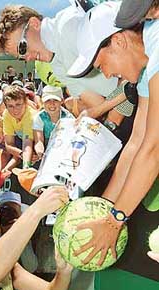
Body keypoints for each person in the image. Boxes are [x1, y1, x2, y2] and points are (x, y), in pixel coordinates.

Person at [66, 1, 159, 266]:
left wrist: (114, 220)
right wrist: (101, 210)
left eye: (101, 63)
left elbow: (153, 149)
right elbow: (136, 143)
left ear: (118, 41)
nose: (106, 74)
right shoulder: (145, 68)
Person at [0, 4, 117, 97]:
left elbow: (130, 72)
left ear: (34, 23)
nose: (27, 58)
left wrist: (113, 118)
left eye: (22, 48)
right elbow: (94, 101)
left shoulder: (70, 25)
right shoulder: (57, 67)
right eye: (21, 58)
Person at [33, 85, 74, 159]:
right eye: (48, 100)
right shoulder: (39, 117)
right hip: (46, 148)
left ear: (61, 101)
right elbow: (39, 141)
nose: (52, 104)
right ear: (43, 102)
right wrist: (40, 152)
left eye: (55, 100)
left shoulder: (68, 117)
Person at [3, 85, 36, 169]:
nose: (15, 109)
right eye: (10, 106)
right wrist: (21, 154)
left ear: (25, 102)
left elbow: (27, 142)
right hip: (24, 149)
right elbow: (9, 144)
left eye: (18, 104)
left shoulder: (31, 115)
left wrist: (26, 166)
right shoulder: (6, 114)